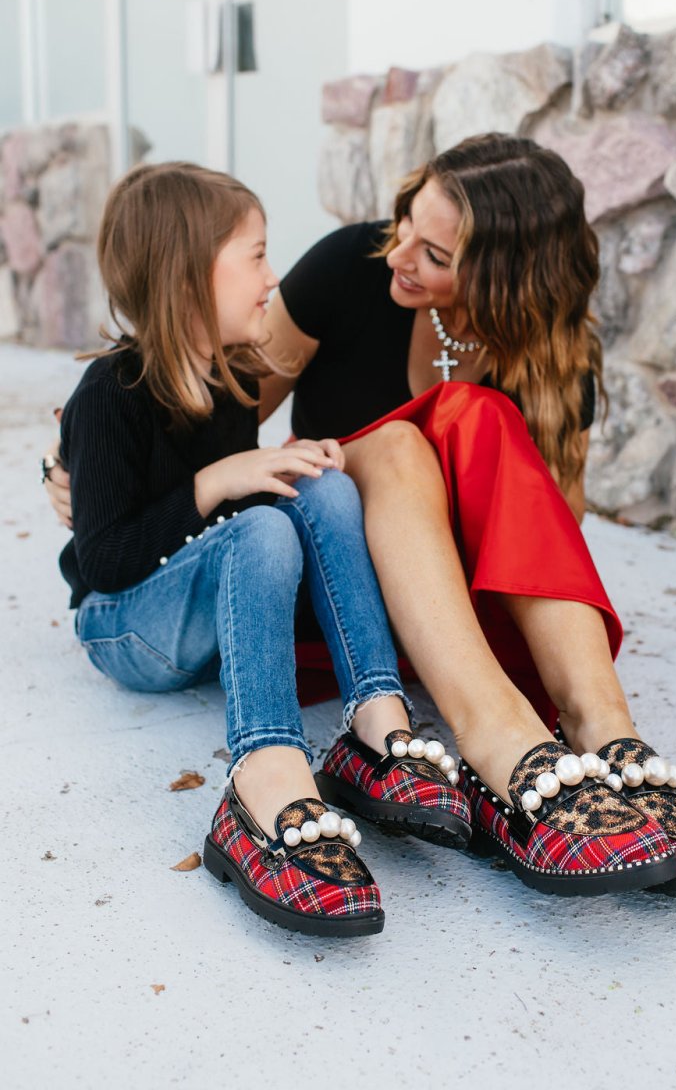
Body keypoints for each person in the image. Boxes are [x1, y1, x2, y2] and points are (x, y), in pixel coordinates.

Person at [46, 136, 676, 899]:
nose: (396, 253)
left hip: (456, 611)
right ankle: (489, 740)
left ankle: (603, 728)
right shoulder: (349, 268)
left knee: (479, 415)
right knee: (390, 446)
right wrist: (76, 460)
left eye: (432, 253)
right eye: (405, 220)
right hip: (337, 588)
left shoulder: (555, 362)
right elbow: (194, 400)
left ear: (499, 279)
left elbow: (546, 538)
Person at [53, 161, 471, 939]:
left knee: (320, 485)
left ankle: (377, 724)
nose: (272, 278)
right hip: (124, 629)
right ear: (187, 279)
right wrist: (217, 481)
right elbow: (106, 563)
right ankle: (265, 769)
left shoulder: (233, 378)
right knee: (261, 524)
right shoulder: (110, 393)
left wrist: (284, 468)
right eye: (254, 256)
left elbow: (237, 528)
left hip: (197, 615)